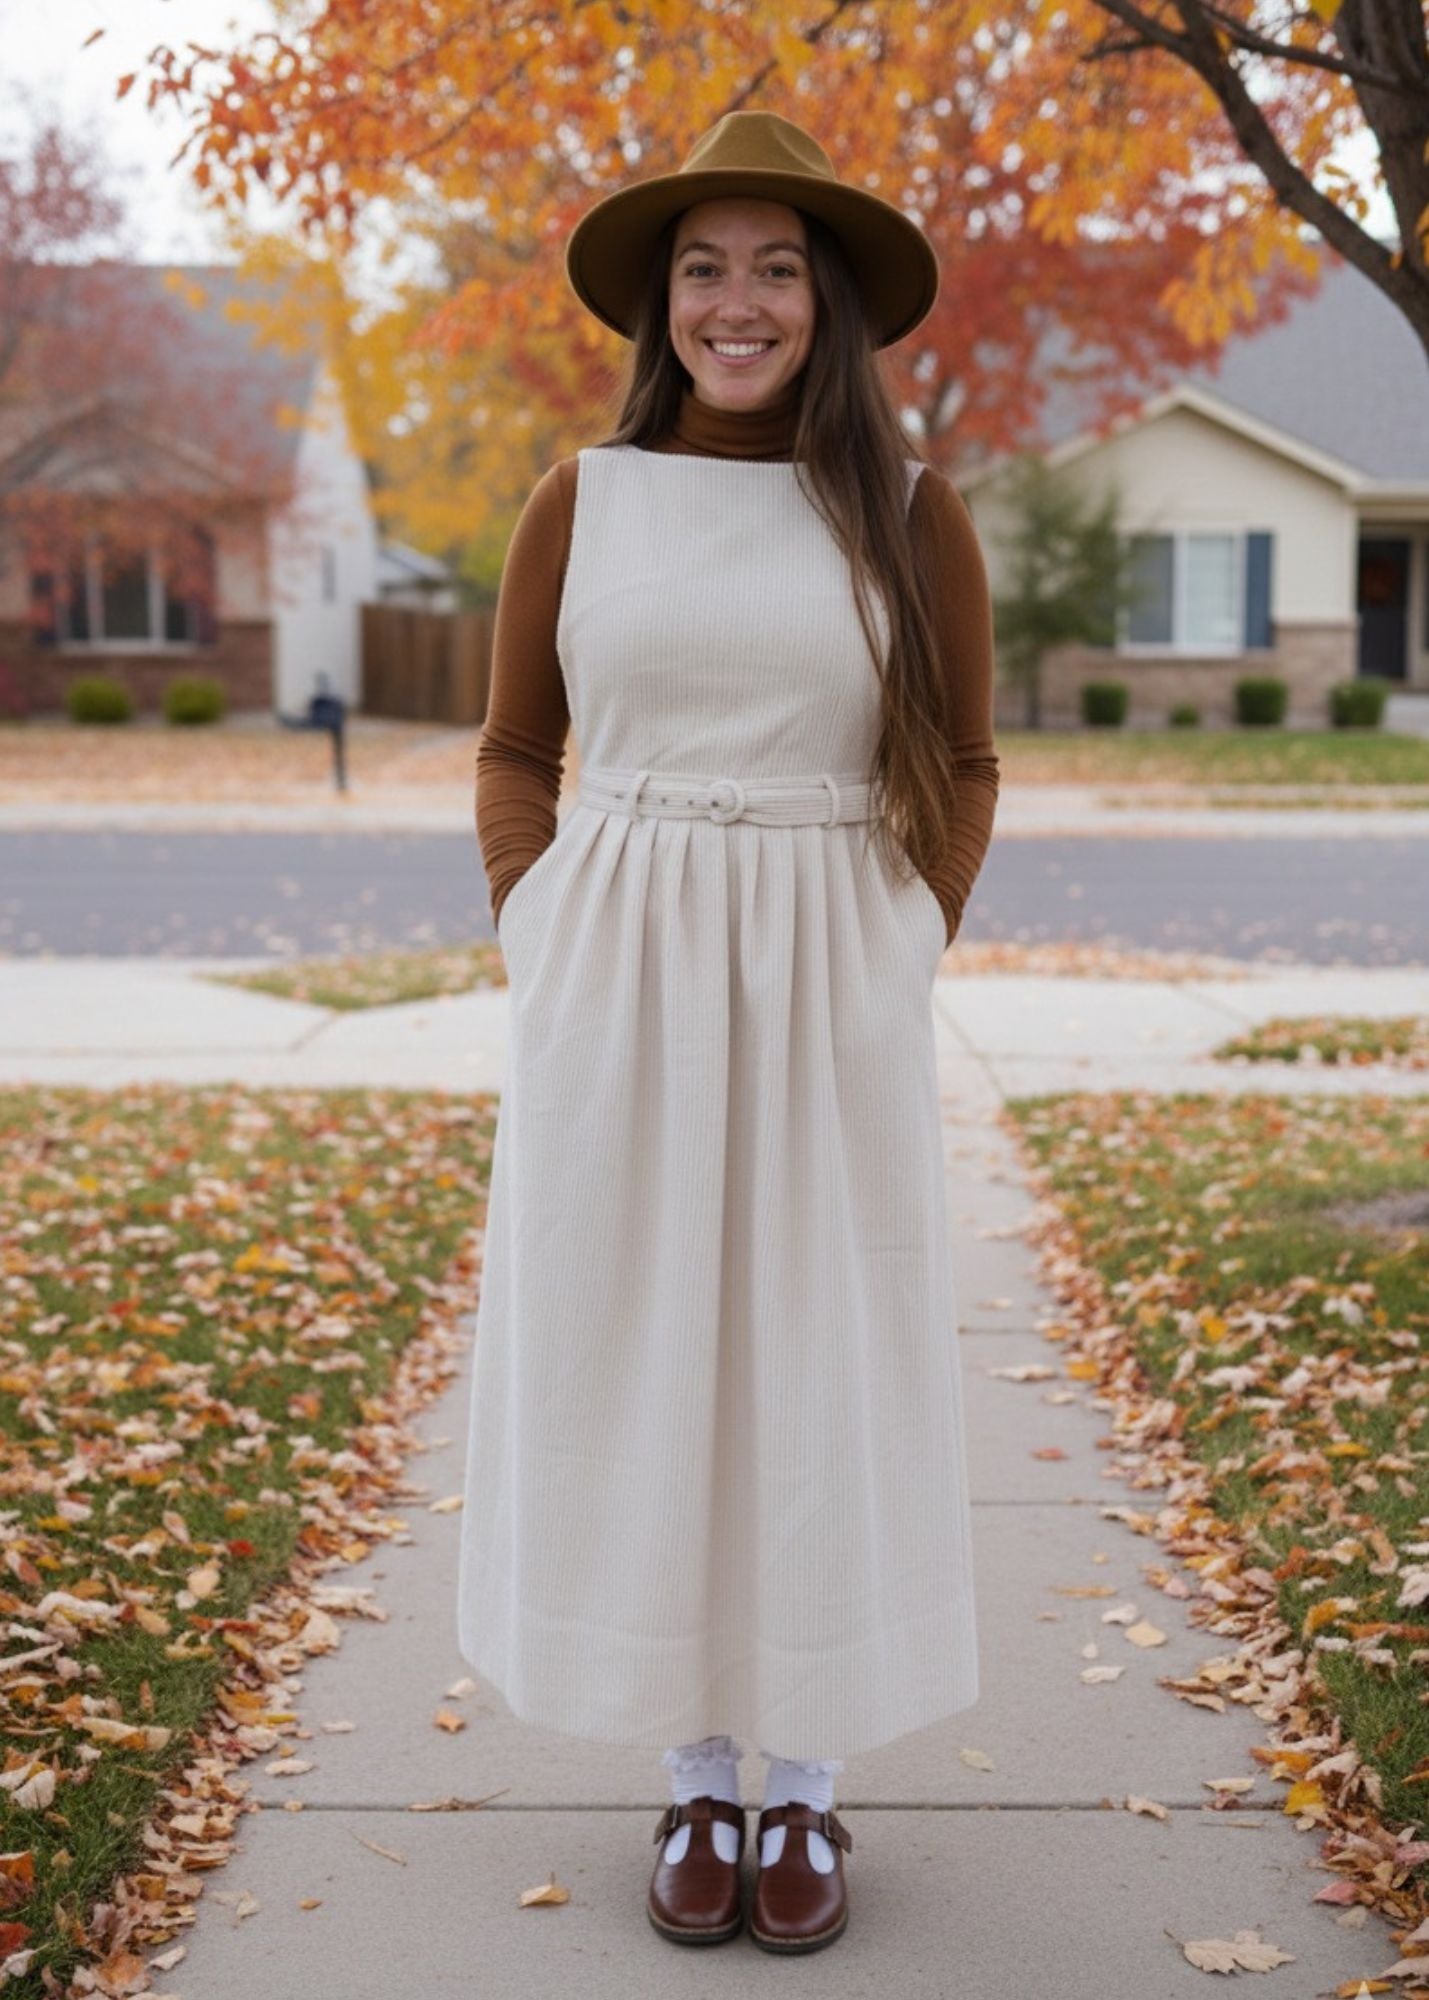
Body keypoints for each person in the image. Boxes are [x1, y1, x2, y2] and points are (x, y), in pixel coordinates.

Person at [459, 108, 999, 1956]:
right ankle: (697, 1772)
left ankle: (808, 1784)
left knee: (817, 1358)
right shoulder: (580, 501)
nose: (736, 301)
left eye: (774, 266)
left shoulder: (909, 514)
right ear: (661, 303)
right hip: (615, 976)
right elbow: (515, 748)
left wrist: (906, 937)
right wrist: (538, 926)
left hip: (829, 975)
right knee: (642, 1354)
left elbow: (964, 761)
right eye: (703, 268)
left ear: (826, 300)